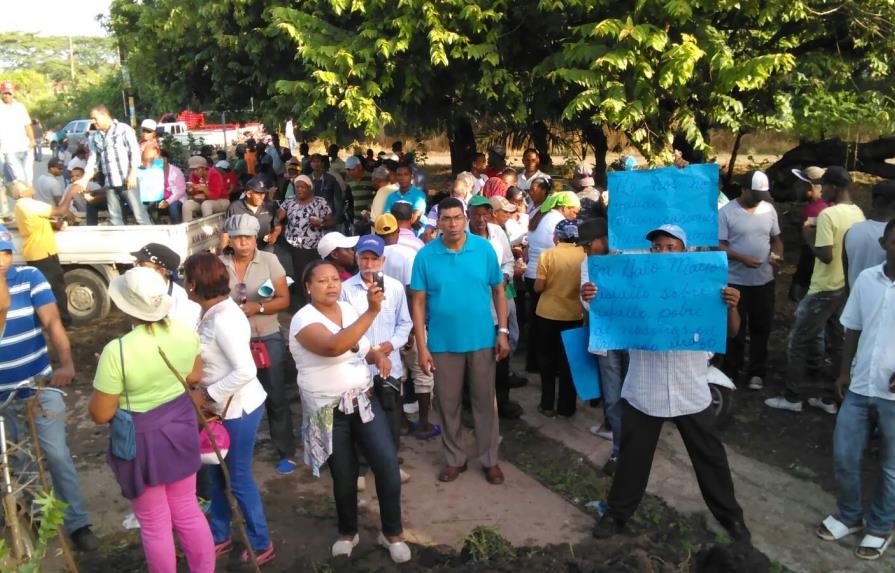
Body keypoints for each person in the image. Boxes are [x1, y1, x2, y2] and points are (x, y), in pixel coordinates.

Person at [592, 224, 750, 543]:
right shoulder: (636, 286)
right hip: (644, 388)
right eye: (657, 248)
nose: (662, 253)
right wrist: (594, 297)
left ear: (685, 252)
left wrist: (732, 306)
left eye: (670, 247)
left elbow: (731, 332)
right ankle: (617, 514)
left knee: (710, 458)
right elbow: (607, 314)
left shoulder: (704, 286)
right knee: (633, 458)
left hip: (689, 388)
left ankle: (732, 519)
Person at [90, 268, 214, 573]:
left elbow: (101, 413)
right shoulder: (186, 331)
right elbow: (195, 376)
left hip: (142, 441)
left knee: (154, 523)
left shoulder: (116, 351)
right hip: (181, 428)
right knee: (187, 510)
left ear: (125, 305)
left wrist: (116, 381)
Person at [290, 259, 411, 563]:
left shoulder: (347, 310)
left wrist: (375, 355)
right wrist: (372, 312)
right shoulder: (303, 320)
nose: (331, 285)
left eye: (334, 279)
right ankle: (348, 532)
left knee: (387, 466)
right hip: (329, 410)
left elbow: (358, 344)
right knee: (344, 476)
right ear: (308, 288)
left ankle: (392, 533)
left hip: (363, 403)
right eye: (322, 281)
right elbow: (334, 345)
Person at [0, 225, 98, 551]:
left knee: (56, 455)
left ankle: (78, 523)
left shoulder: (29, 278)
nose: (2, 260)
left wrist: (66, 363)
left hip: (37, 386)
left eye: (6, 252)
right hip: (2, 394)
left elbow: (53, 323)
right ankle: (41, 519)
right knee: (18, 462)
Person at [183, 252, 275, 568]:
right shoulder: (211, 312)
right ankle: (219, 533)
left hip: (237, 410)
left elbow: (245, 370)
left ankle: (260, 541)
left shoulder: (223, 318)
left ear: (193, 284)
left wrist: (207, 394)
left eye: (186, 278)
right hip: (219, 410)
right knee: (213, 474)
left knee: (236, 478)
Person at [410, 197, 510, 485]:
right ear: (438, 222)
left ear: (465, 219)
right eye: (446, 219)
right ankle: (455, 459)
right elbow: (417, 302)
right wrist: (422, 345)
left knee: (484, 402)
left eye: (457, 218)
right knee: (448, 403)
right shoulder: (426, 256)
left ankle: (490, 459)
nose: (452, 224)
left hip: (482, 340)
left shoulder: (484, 250)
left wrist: (502, 332)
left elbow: (499, 292)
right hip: (442, 343)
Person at [817, 220, 895, 561]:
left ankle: (880, 526)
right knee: (845, 455)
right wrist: (843, 372)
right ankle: (849, 515)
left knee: (892, 467)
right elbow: (852, 327)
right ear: (884, 243)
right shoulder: (867, 279)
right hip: (861, 385)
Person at [766, 166, 866, 414]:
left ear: (834, 187)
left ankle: (792, 397)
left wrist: (806, 234)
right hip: (844, 286)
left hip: (823, 288)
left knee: (798, 341)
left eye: (826, 185)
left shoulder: (828, 216)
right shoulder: (858, 214)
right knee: (838, 343)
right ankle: (829, 398)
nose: (822, 190)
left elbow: (825, 254)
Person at [220, 215, 296, 475]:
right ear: (230, 238)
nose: (244, 243)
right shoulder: (220, 264)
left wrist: (258, 306)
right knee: (232, 396)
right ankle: (232, 450)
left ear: (255, 239)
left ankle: (285, 451)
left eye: (249, 238)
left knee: (275, 393)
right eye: (239, 237)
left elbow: (284, 298)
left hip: (266, 335)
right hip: (230, 340)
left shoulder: (269, 260)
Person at [339, 235, 414, 470]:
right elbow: (343, 328)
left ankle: (390, 462)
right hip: (357, 365)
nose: (368, 264)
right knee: (361, 415)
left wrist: (391, 344)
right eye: (364, 258)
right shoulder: (346, 290)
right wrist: (366, 350)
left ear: (382, 260)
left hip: (389, 363)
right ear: (357, 258)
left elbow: (405, 323)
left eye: (374, 259)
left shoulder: (394, 288)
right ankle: (361, 464)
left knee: (391, 414)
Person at [718, 171, 783, 390]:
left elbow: (776, 240)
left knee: (761, 327)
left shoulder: (768, 209)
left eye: (762, 196)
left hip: (763, 281)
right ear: (743, 190)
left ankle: (757, 371)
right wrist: (740, 257)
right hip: (735, 280)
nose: (758, 200)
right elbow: (718, 246)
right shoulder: (726, 212)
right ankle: (732, 369)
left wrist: (776, 255)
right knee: (735, 328)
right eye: (755, 195)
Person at [578, 218, 626, 475]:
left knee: (636, 397)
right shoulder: (587, 264)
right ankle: (618, 450)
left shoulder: (630, 256)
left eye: (588, 244)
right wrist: (587, 298)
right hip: (606, 338)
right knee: (613, 398)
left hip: (634, 338)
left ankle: (636, 450)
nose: (586, 250)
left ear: (604, 239)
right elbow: (585, 303)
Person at [467, 196, 522, 419]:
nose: (481, 219)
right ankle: (472, 406)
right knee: (473, 359)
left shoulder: (497, 232)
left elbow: (508, 260)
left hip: (498, 302)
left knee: (501, 354)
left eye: (485, 214)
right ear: (468, 214)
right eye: (476, 214)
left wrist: (506, 276)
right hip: (472, 307)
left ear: (491, 214)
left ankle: (503, 400)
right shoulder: (462, 237)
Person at [534, 219, 585, 417]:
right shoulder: (583, 255)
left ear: (558, 236)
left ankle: (547, 404)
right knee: (569, 362)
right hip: (573, 315)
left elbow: (539, 286)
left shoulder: (547, 255)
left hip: (547, 314)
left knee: (546, 361)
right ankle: (566, 407)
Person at [524, 189, 579, 372]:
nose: (575, 215)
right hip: (545, 277)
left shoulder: (542, 214)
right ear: (564, 207)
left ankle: (534, 365)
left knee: (536, 327)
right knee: (547, 333)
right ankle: (552, 367)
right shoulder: (557, 221)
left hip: (533, 273)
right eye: (574, 211)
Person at [10, 180, 79, 326]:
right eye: (28, 187)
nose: (32, 187)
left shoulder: (20, 206)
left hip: (38, 252)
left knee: (46, 288)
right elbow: (60, 210)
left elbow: (35, 221)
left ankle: (52, 321)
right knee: (57, 289)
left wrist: (53, 224)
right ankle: (63, 323)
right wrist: (71, 195)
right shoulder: (28, 204)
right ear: (22, 193)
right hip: (42, 252)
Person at [74, 105, 151, 225]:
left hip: (127, 180)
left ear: (104, 115)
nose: (93, 122)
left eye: (95, 118)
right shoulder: (95, 137)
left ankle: (152, 240)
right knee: (115, 218)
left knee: (139, 215)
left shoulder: (123, 129)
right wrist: (84, 180)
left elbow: (134, 152)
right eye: (91, 119)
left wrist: (132, 173)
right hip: (110, 183)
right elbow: (93, 161)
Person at [278, 174, 333, 307]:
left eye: (303, 187)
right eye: (297, 187)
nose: (299, 189)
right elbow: (278, 216)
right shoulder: (289, 201)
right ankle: (303, 303)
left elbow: (331, 220)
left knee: (316, 273)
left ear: (310, 188)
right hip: (296, 245)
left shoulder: (320, 202)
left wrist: (321, 224)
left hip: (316, 246)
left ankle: (317, 300)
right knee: (300, 274)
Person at [132, 242, 201, 327]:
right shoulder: (137, 292)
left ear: (161, 271)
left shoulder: (183, 303)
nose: (136, 269)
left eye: (142, 265)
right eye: (136, 263)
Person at [843, 179, 895, 288]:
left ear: (873, 203)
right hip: (883, 302)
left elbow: (847, 270)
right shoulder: (891, 236)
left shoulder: (851, 231)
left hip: (855, 298)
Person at [789, 166, 829, 302]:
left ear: (810, 186)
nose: (796, 187)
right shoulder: (831, 205)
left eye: (800, 184)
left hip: (813, 274)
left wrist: (799, 281)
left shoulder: (812, 211)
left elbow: (809, 249)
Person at [222, 177, 281, 253]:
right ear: (249, 194)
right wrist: (222, 253)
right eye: (258, 193)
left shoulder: (269, 206)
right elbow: (226, 233)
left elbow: (277, 226)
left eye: (263, 193)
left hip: (265, 249)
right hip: (243, 250)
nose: (262, 197)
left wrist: (274, 235)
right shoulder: (234, 207)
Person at [0, 81, 36, 193]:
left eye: (9, 93)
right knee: (19, 179)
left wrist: (32, 140)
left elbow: (27, 125)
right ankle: (23, 203)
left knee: (29, 179)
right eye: (4, 93)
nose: (7, 95)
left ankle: (29, 204)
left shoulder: (20, 107)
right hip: (9, 148)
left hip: (25, 146)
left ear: (13, 93)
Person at [183, 155, 230, 222]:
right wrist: (190, 190)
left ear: (204, 168)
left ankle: (208, 230)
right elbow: (193, 193)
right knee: (187, 204)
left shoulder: (214, 174)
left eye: (197, 169)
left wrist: (204, 189)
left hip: (222, 200)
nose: (195, 172)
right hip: (203, 201)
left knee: (206, 204)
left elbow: (215, 196)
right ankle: (188, 229)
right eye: (193, 170)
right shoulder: (193, 175)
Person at [383, 164, 427, 232]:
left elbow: (414, 220)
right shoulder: (391, 196)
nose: (402, 178)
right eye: (399, 175)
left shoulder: (419, 195)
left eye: (406, 174)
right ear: (396, 177)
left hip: (415, 235)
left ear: (411, 177)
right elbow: (387, 219)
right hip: (395, 235)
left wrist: (395, 222)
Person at [309, 153, 344, 229]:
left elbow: (338, 199)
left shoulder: (331, 179)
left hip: (328, 219)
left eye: (318, 161)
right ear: (310, 164)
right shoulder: (306, 180)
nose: (316, 164)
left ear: (322, 163)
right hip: (311, 218)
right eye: (313, 162)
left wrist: (336, 219)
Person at [157, 148, 187, 224]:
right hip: (162, 199)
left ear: (165, 159)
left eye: (158, 159)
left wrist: (168, 201)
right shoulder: (155, 171)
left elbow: (181, 191)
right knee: (149, 205)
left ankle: (177, 229)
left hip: (176, 199)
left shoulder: (176, 171)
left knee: (173, 206)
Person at [345, 155, 375, 223]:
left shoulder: (372, 178)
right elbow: (349, 200)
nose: (350, 172)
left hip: (370, 220)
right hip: (356, 221)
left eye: (352, 169)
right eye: (348, 170)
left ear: (360, 167)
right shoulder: (349, 181)